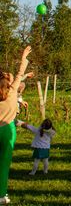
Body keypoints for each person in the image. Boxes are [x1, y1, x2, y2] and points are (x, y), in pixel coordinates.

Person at [0, 45, 31, 204]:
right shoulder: (13, 92)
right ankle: (1, 195)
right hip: (8, 129)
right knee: (4, 164)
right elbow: (20, 73)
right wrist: (23, 56)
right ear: (9, 82)